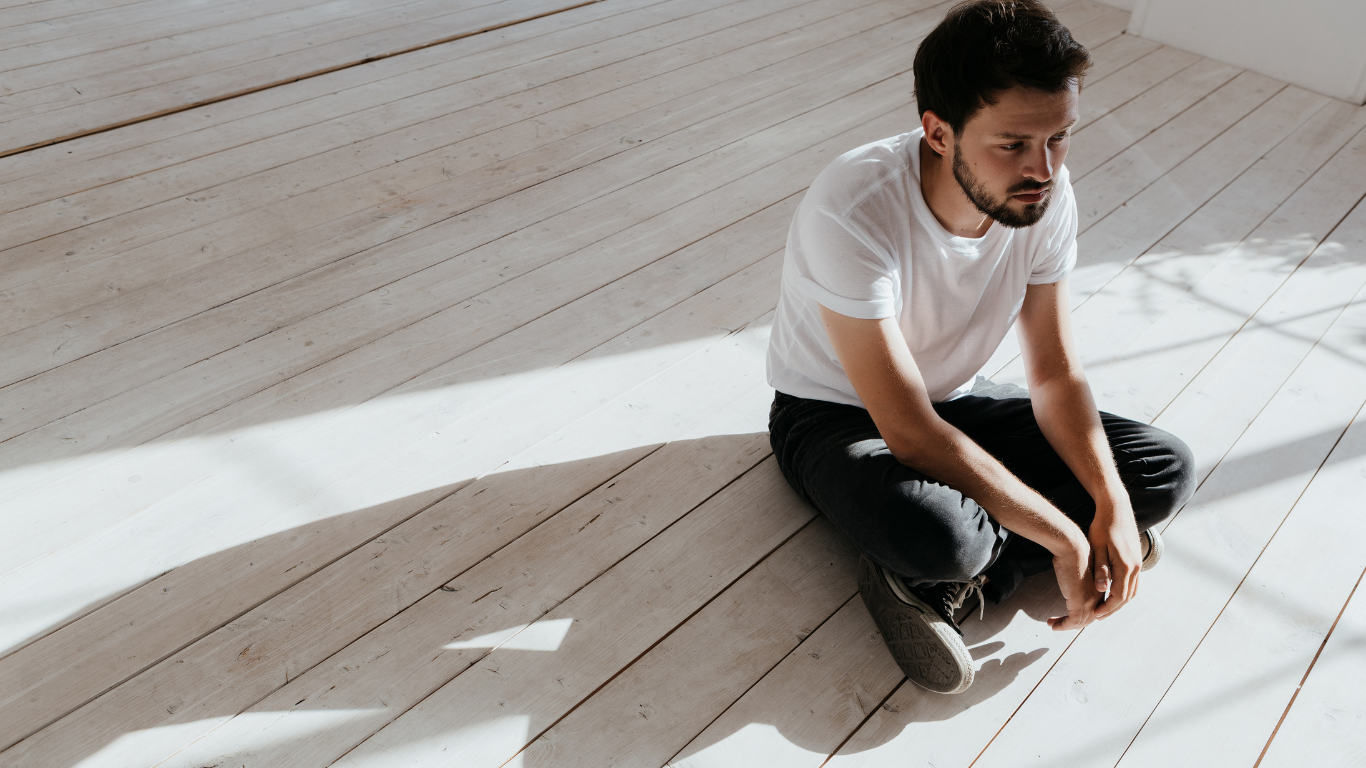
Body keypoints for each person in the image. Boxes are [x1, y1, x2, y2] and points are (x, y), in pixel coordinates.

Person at [765, 0, 1196, 694]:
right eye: (1013, 144)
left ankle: (965, 577)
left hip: (958, 400)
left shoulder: (1043, 195)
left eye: (1059, 138)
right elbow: (909, 430)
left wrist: (1111, 500)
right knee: (942, 535)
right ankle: (967, 564)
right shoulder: (853, 206)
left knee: (1162, 470)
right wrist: (1065, 532)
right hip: (834, 415)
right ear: (939, 132)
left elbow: (1054, 375)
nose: (1043, 168)